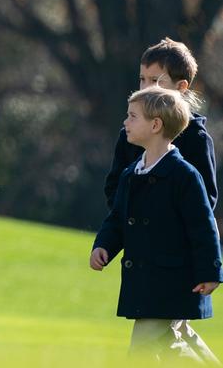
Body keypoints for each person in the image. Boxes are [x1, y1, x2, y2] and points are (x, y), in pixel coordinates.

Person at [90, 86, 223, 362]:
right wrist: (103, 245)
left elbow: (202, 226)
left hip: (174, 282)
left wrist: (211, 270)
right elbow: (117, 219)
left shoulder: (184, 176)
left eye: (132, 116)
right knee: (169, 345)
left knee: (140, 349)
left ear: (155, 125)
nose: (125, 122)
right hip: (144, 284)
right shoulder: (131, 174)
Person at [104, 38, 217, 210]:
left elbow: (206, 198)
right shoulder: (129, 133)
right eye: (142, 79)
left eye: (155, 81)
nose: (146, 88)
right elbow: (113, 187)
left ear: (181, 87)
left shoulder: (196, 138)